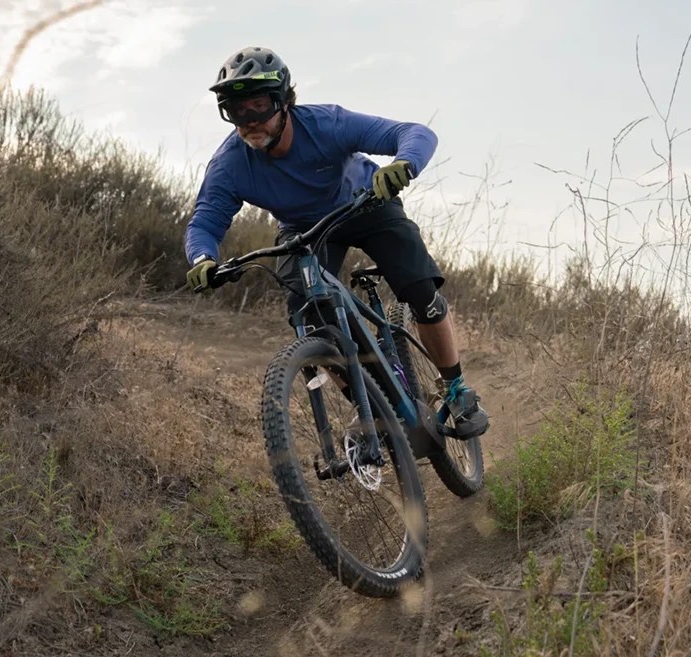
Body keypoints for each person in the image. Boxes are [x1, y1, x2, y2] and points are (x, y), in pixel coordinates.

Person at [183, 46, 489, 439]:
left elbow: (413, 133)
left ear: (284, 102)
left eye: (258, 107)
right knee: (311, 317)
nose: (248, 121)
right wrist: (203, 259)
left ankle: (457, 390)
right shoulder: (229, 163)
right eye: (236, 111)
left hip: (366, 204)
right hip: (304, 230)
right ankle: (373, 409)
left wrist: (403, 164)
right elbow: (206, 220)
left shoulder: (327, 123)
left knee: (418, 289)